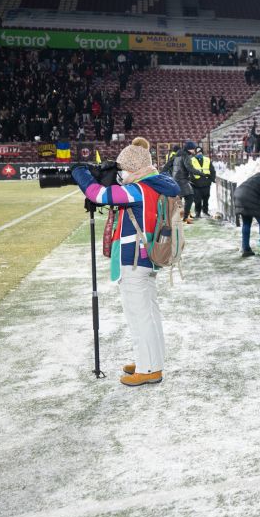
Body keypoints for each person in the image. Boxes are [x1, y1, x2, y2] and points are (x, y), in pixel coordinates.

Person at [73, 137, 180, 387]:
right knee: (149, 314)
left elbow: (97, 194)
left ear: (134, 168)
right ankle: (150, 359)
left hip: (134, 259)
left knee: (139, 315)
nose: (120, 174)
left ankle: (149, 369)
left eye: (123, 169)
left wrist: (80, 171)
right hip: (147, 257)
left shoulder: (138, 189)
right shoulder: (156, 185)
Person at [164, 140, 196, 224]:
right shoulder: (180, 156)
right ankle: (182, 217)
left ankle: (181, 216)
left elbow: (168, 166)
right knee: (184, 198)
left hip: (174, 179)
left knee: (179, 198)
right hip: (177, 179)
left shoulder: (174, 155)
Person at [188, 145, 215, 218]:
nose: (199, 154)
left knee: (206, 199)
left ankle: (205, 212)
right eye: (198, 152)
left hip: (206, 183)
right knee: (197, 200)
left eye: (200, 152)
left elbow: (212, 170)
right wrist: (192, 180)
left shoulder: (207, 159)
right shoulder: (191, 160)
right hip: (196, 184)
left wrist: (212, 179)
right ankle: (198, 213)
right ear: (195, 153)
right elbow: (189, 171)